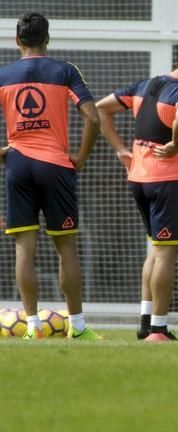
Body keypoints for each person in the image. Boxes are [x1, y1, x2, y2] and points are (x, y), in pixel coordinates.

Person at [96, 48, 178, 342]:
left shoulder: (145, 85)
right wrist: (177, 142)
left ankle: (145, 321)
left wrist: (120, 148)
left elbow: (101, 109)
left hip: (138, 178)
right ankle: (158, 328)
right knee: (167, 252)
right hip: (165, 180)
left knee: (155, 249)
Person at [0, 12, 101, 340]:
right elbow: (94, 118)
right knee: (66, 248)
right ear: (47, 39)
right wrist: (80, 159)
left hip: (18, 165)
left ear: (17, 41)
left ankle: (32, 328)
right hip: (56, 165)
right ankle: (79, 328)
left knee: (24, 251)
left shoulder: (3, 75)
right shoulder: (65, 71)